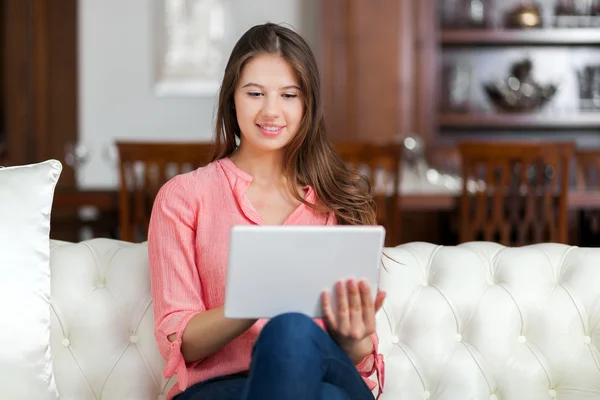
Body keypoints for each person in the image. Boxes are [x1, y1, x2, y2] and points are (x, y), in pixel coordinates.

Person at [148, 22, 386, 400]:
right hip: (222, 388)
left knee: (291, 332)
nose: (271, 111)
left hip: (325, 369)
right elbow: (182, 341)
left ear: (307, 103)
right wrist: (255, 299)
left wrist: (355, 334)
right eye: (255, 93)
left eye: (288, 95)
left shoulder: (338, 200)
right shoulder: (183, 197)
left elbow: (360, 360)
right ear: (232, 98)